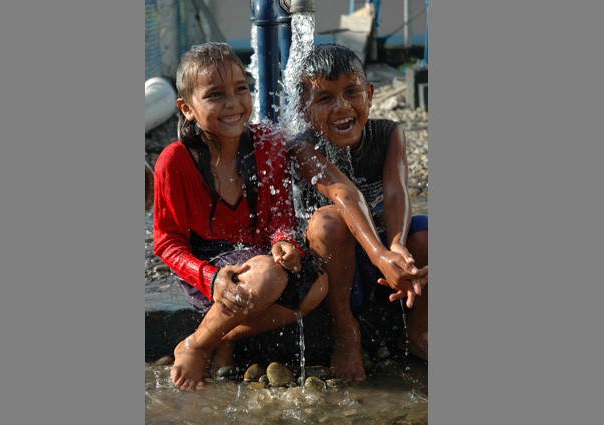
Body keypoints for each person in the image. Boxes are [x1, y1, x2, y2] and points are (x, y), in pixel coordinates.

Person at [153, 42, 329, 391]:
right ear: (187, 108)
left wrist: (284, 241)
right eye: (215, 95)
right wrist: (212, 277)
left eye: (241, 89)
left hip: (260, 261)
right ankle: (198, 346)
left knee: (317, 286)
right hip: (207, 263)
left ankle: (214, 337)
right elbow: (167, 242)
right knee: (267, 275)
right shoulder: (174, 161)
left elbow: (281, 214)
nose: (233, 103)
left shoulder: (268, 143)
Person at [292, 43, 429, 382]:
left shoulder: (388, 133)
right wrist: (382, 255)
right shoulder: (304, 148)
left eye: (351, 92)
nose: (341, 107)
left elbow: (397, 191)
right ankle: (346, 334)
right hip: (336, 265)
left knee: (427, 235)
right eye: (324, 98)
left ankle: (419, 330)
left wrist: (396, 247)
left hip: (383, 261)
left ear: (369, 94)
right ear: (306, 110)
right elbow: (344, 192)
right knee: (328, 223)